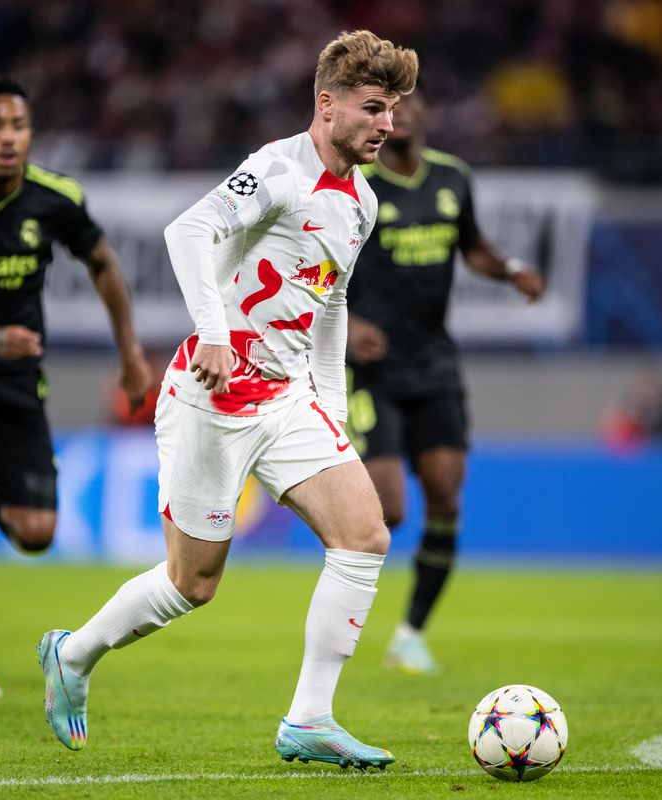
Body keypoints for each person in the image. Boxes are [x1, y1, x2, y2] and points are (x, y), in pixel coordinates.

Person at [37, 31, 418, 770]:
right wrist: (214, 332)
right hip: (210, 398)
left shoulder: (363, 203)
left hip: (287, 401)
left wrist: (333, 410)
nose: (387, 125)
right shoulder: (277, 170)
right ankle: (73, 653)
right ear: (327, 104)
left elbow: (331, 304)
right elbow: (188, 229)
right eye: (374, 108)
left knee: (365, 536)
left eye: (392, 111)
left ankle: (309, 719)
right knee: (193, 583)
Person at [0, 78, 153, 699]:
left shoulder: (55, 199)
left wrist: (130, 355)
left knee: (37, 533)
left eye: (18, 125)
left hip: (16, 380)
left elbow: (103, 264)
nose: (8, 137)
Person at [344, 88, 545, 675]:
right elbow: (322, 266)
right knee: (388, 510)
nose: (397, 114)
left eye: (406, 105)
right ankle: (341, 594)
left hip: (434, 363)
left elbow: (472, 246)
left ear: (424, 115)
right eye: (385, 108)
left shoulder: (453, 177)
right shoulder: (357, 184)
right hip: (373, 369)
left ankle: (410, 634)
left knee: (444, 497)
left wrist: (511, 270)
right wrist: (347, 324)